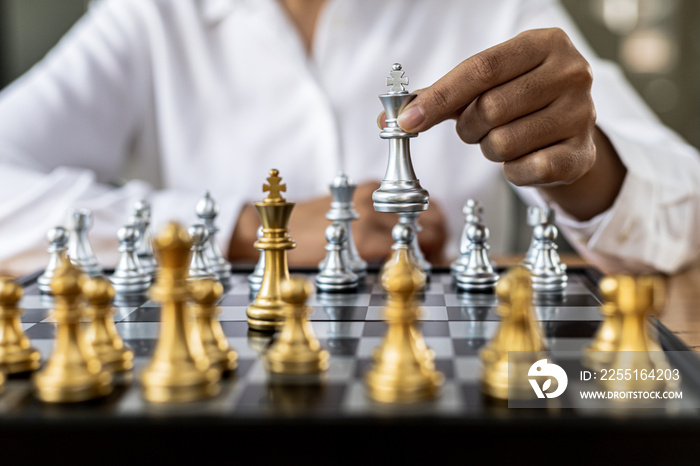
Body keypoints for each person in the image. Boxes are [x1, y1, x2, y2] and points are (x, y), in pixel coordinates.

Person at [0, 0, 698, 277]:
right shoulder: (151, 16)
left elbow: (687, 212)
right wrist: (252, 230)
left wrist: (588, 169)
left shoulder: (492, 6)